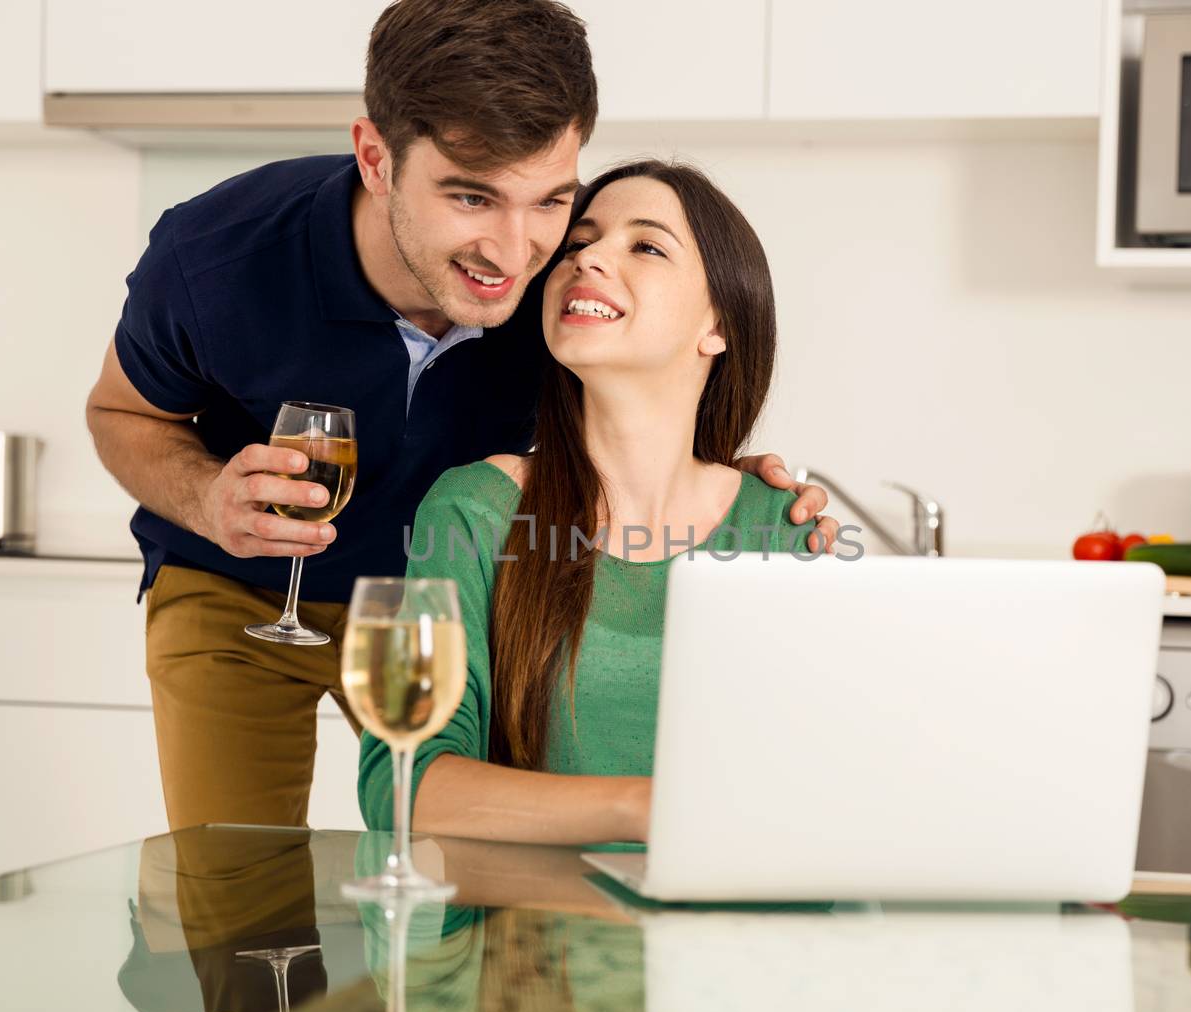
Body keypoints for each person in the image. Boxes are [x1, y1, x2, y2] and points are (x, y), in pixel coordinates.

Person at [84, 0, 835, 832]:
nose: (517, 254)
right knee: (237, 905)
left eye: (552, 200)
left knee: (442, 876)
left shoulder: (562, 281)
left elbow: (648, 394)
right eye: (472, 199)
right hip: (245, 586)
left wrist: (731, 489)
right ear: (376, 158)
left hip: (442, 581)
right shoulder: (217, 258)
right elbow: (121, 413)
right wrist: (205, 501)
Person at [360, 160, 807, 846]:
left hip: (736, 937)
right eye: (579, 243)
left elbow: (822, 781)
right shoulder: (474, 512)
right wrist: (639, 808)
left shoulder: (783, 526)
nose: (587, 256)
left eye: (646, 245)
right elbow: (404, 783)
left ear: (719, 324)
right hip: (531, 943)